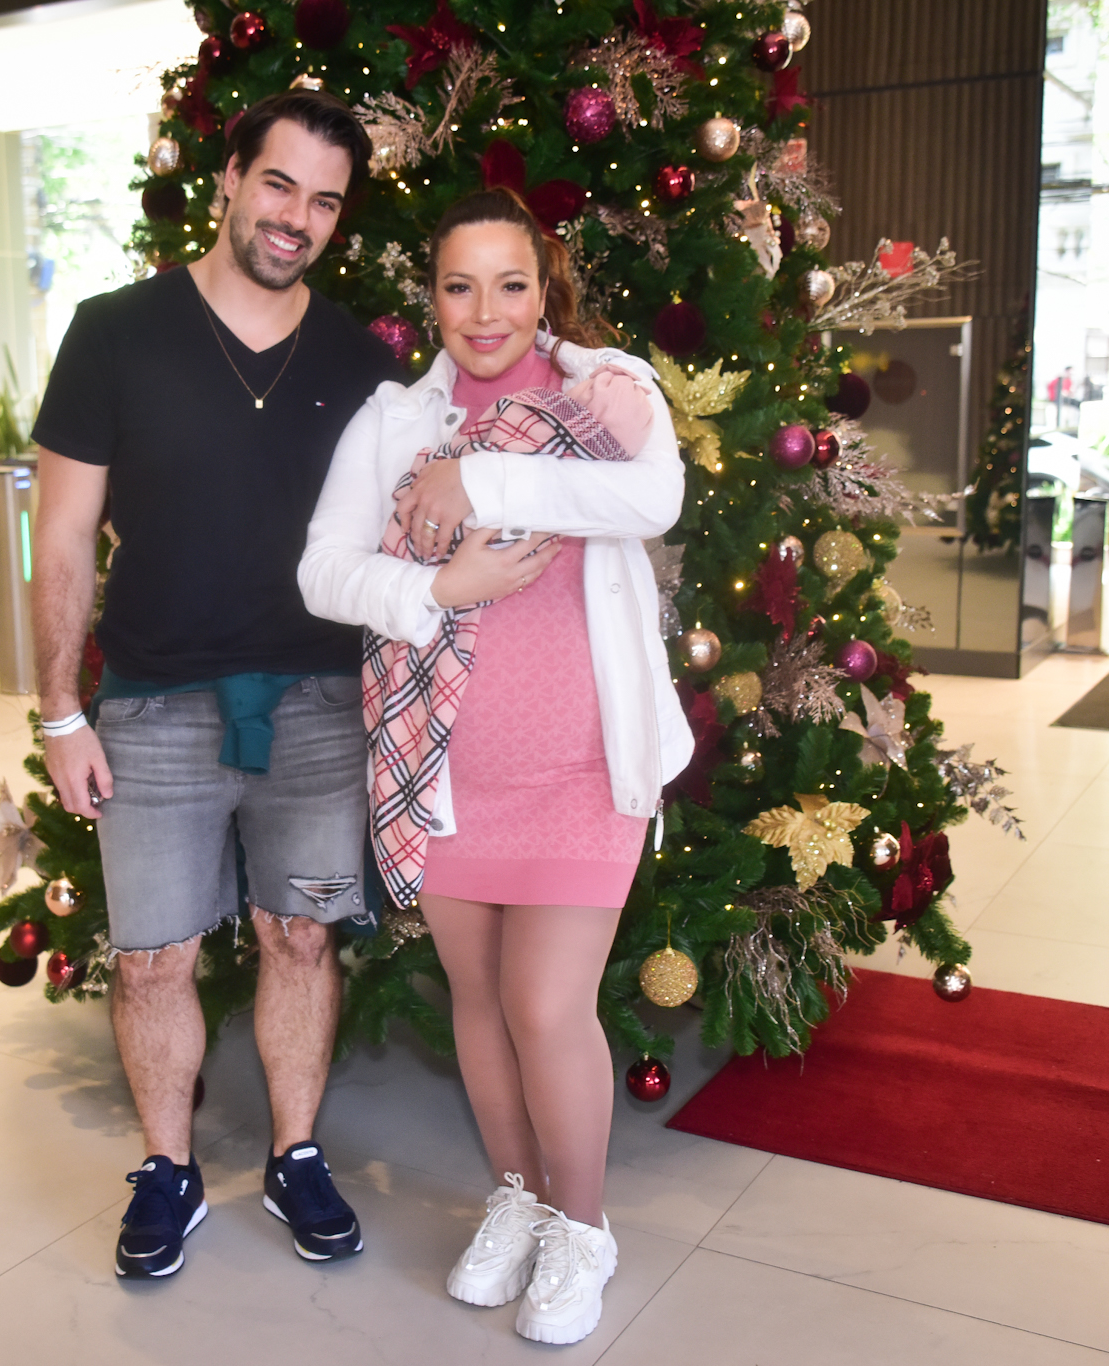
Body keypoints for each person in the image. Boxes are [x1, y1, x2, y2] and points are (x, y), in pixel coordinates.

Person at [298, 187, 692, 1345]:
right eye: (459, 285)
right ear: (429, 296)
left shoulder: (604, 396)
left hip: (580, 761)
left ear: (543, 289)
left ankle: (583, 1229)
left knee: (543, 1001)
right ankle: (516, 1202)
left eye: (509, 284)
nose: (485, 311)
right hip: (446, 767)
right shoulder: (388, 421)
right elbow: (322, 573)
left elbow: (650, 498)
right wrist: (434, 588)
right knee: (477, 999)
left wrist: (480, 482)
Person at [27, 89, 400, 1282]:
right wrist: (56, 710)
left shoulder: (358, 358)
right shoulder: (112, 333)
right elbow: (62, 542)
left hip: (318, 705)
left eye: (325, 201)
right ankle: (168, 1170)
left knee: (299, 937)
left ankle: (295, 1153)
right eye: (280, 184)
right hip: (151, 703)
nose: (296, 218)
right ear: (231, 177)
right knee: (150, 958)